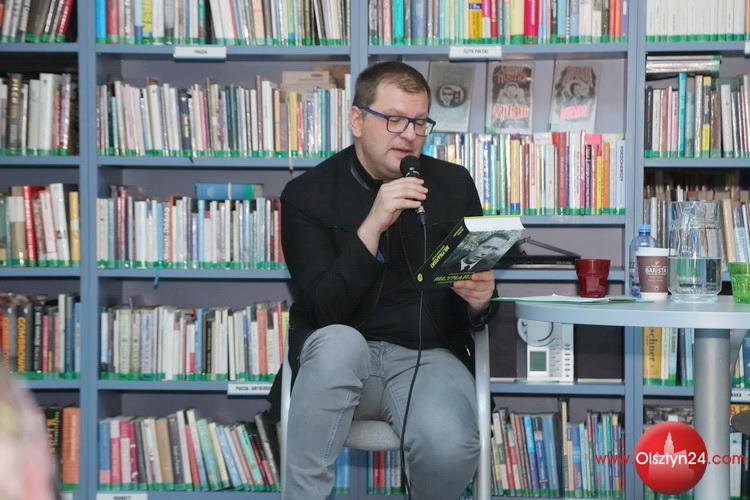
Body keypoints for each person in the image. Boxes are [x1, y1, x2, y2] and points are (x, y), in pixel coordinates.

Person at [272, 60, 498, 500]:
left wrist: (480, 299)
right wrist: (373, 223)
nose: (409, 134)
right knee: (338, 342)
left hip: (428, 357)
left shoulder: (453, 184)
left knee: (451, 445)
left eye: (419, 122)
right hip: (338, 359)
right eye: (394, 119)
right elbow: (322, 310)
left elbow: (477, 301)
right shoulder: (306, 195)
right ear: (357, 120)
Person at [446, 233, 510, 273]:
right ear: (476, 245)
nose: (485, 253)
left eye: (494, 249)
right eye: (486, 247)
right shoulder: (452, 255)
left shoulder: (489, 269)